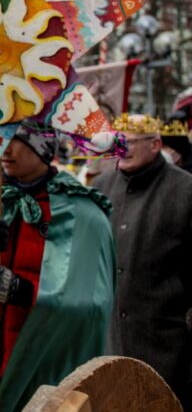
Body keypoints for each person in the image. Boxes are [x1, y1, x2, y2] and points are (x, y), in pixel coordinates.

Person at [0, 121, 115, 412]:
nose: (5, 148)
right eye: (1, 137)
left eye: (18, 139)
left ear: (44, 148)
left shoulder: (82, 212)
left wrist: (23, 291)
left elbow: (92, 304)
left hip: (45, 362)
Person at [96, 114, 192, 408]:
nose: (122, 149)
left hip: (166, 344)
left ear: (156, 144)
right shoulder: (100, 187)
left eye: (131, 142)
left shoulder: (185, 190)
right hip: (109, 343)